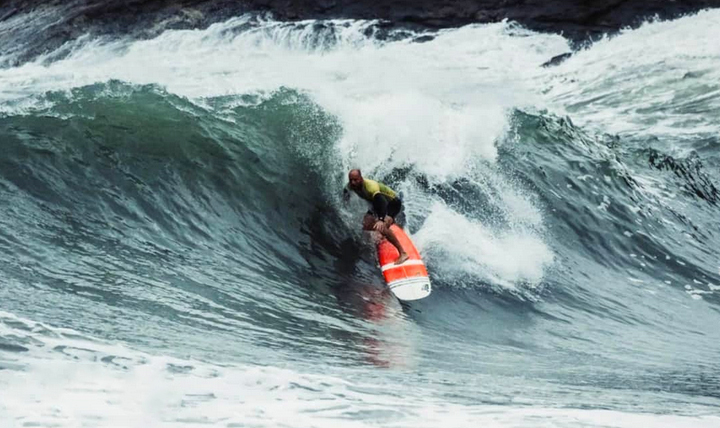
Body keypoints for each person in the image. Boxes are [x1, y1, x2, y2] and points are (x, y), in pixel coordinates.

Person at [343, 169, 409, 265]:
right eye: (351, 180)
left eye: (355, 180)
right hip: (376, 204)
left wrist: (381, 220)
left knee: (381, 227)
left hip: (392, 203)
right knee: (366, 225)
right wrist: (346, 198)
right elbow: (346, 190)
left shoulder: (371, 187)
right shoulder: (351, 186)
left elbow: (382, 203)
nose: (353, 182)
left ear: (361, 178)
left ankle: (403, 253)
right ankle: (388, 228)